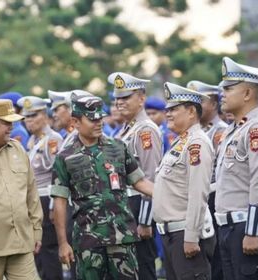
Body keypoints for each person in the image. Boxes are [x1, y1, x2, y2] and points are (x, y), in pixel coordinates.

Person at [50, 93, 154, 279]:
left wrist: (173, 197)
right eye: (92, 119)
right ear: (76, 121)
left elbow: (140, 182)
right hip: (88, 240)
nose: (99, 123)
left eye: (100, 118)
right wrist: (63, 243)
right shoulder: (65, 157)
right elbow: (60, 203)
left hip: (122, 236)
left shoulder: (118, 147)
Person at [215, 57, 258, 280]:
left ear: (248, 94)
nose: (222, 93)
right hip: (227, 227)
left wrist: (252, 231)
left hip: (245, 227)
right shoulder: (234, 130)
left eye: (229, 88)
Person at [0, 99, 43, 280]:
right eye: (6, 123)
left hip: (21, 244)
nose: (11, 127)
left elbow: (31, 194)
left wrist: (37, 231)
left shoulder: (17, 149)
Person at [153, 82, 216, 280]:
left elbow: (198, 193)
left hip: (185, 235)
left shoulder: (196, 143)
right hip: (172, 234)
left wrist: (191, 237)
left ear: (191, 112)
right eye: (167, 109)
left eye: (174, 109)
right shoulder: (181, 142)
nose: (168, 113)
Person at [109, 72, 162, 280]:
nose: (119, 103)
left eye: (125, 97)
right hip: (125, 206)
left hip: (139, 205)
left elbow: (151, 178)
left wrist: (146, 220)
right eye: (117, 98)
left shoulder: (145, 131)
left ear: (141, 98)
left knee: (143, 266)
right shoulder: (125, 130)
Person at [17, 96, 64, 279]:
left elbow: (57, 175)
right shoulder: (33, 141)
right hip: (34, 200)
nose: (29, 121)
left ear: (45, 115)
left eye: (33, 116)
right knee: (37, 251)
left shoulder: (52, 140)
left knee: (48, 252)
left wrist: (54, 206)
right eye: (26, 117)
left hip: (47, 199)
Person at [187, 79, 227, 280]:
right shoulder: (197, 132)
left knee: (216, 257)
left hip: (212, 197)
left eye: (200, 101)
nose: (196, 107)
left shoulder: (220, 131)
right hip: (198, 199)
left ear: (213, 103)